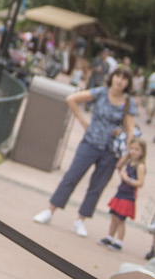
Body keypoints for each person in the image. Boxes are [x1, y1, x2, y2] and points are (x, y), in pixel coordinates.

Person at [33, 67, 137, 237]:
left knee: (97, 186)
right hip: (90, 142)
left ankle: (81, 219)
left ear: (128, 83)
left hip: (111, 151)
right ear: (112, 77)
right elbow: (72, 98)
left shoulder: (128, 102)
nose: (120, 81)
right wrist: (83, 121)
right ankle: (51, 209)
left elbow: (130, 130)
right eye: (118, 76)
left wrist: (126, 154)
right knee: (72, 176)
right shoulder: (101, 92)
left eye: (124, 78)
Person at [98, 137, 146, 252]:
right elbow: (119, 166)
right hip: (120, 192)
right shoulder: (129, 162)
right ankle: (110, 236)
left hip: (128, 196)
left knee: (120, 219)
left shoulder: (140, 166)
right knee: (114, 216)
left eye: (137, 149)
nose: (133, 151)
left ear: (142, 152)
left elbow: (140, 183)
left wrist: (127, 179)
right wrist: (125, 155)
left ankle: (119, 241)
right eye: (132, 148)